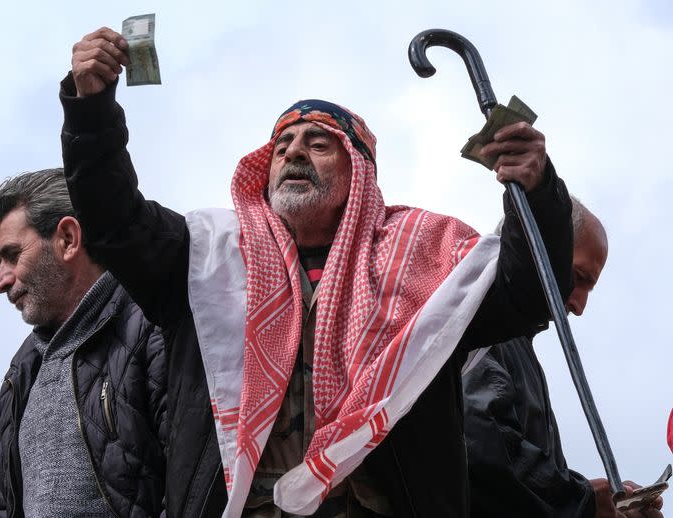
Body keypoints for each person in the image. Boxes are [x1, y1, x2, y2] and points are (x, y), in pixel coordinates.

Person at [60, 27, 573, 517]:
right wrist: (91, 111)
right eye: (281, 148)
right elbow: (113, 222)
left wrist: (537, 190)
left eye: (318, 144)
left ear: (359, 171)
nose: (294, 155)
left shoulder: (429, 259)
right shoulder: (205, 256)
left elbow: (526, 295)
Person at [0, 169, 167, 518]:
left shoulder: (152, 326)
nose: (0, 281)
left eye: (12, 255)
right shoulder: (20, 375)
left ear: (68, 238)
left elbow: (195, 485)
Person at [464, 200, 663, 518]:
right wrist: (584, 501)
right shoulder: (477, 328)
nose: (580, 306)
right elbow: (480, 447)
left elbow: (527, 486)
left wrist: (603, 504)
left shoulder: (518, 349)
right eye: (579, 277)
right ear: (536, 246)